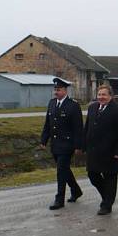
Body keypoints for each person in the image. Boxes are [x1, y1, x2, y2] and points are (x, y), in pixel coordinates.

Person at [83, 84, 118, 215]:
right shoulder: (92, 108)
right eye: (99, 94)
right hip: (93, 150)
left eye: (104, 95)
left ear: (111, 96)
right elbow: (87, 128)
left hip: (110, 151)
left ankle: (107, 205)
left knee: (110, 179)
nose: (101, 97)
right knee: (93, 175)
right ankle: (107, 197)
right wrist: (83, 145)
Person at [40, 78, 84, 210]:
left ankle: (59, 199)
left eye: (58, 90)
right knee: (64, 169)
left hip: (67, 144)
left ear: (65, 90)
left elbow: (78, 128)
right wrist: (43, 140)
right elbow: (48, 124)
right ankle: (76, 190)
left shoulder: (73, 105)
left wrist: (78, 146)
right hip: (55, 144)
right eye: (55, 89)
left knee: (60, 171)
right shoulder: (52, 103)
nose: (55, 92)